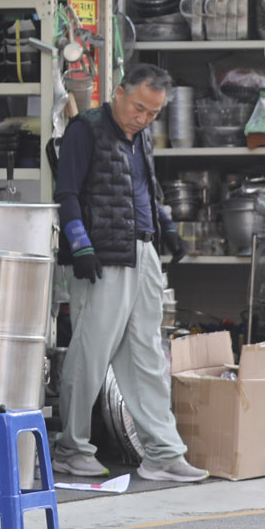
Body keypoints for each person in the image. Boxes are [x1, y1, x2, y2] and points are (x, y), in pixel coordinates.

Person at [52, 63, 208, 483]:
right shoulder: (84, 130)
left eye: (153, 113)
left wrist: (168, 230)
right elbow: (65, 193)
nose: (143, 118)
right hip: (101, 257)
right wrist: (80, 244)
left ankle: (162, 453)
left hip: (142, 251)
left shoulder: (140, 138)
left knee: (147, 357)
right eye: (139, 107)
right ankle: (71, 448)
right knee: (90, 354)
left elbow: (146, 191)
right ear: (118, 93)